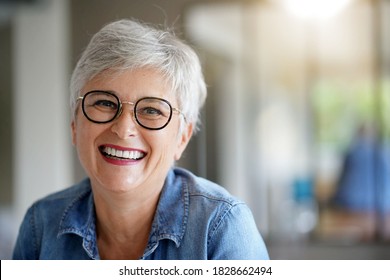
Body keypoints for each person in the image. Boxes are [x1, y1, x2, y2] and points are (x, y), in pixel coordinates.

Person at [12, 19, 269, 260]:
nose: (123, 129)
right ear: (74, 125)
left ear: (182, 137)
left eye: (151, 110)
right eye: (104, 102)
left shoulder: (221, 228)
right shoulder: (41, 225)